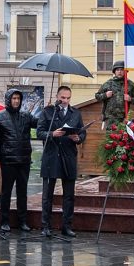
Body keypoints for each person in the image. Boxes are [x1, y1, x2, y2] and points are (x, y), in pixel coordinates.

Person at [37, 86, 86, 237]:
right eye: (63, 98)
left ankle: (67, 226)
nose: (65, 101)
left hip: (69, 156)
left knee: (69, 195)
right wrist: (52, 133)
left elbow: (82, 132)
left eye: (68, 98)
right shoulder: (48, 112)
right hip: (52, 156)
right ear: (57, 96)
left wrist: (79, 138)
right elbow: (39, 132)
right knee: (47, 195)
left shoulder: (76, 113)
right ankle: (46, 226)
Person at [0, 89, 38, 232]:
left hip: (24, 160)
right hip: (8, 161)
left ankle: (22, 221)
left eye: (18, 98)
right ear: (8, 100)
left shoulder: (26, 116)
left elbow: (38, 123)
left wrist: (47, 112)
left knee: (22, 192)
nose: (16, 101)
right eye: (14, 98)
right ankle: (5, 221)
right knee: (6, 192)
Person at [95, 61, 134, 128]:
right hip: (110, 118)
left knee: (124, 137)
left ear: (125, 71)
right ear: (114, 72)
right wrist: (105, 95)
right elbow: (97, 96)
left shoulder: (130, 84)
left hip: (124, 117)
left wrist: (130, 99)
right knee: (111, 137)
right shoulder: (108, 83)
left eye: (122, 70)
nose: (119, 72)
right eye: (117, 70)